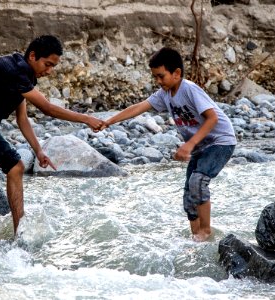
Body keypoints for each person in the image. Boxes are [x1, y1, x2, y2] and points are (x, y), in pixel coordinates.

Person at [0, 35, 105, 238]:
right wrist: (86, 119)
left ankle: (19, 234)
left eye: (53, 66)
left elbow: (22, 119)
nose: (49, 71)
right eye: (47, 64)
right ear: (32, 56)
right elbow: (47, 108)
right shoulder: (14, 69)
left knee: (16, 166)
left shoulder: (24, 78)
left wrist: (38, 151)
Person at [101, 47, 236, 242]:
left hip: (220, 141)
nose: (158, 81)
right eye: (155, 77)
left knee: (198, 181)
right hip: (200, 146)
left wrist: (189, 145)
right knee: (189, 196)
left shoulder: (189, 89)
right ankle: (196, 238)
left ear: (177, 73)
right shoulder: (164, 94)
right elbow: (139, 107)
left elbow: (212, 118)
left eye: (161, 76)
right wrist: (109, 121)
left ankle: (206, 232)